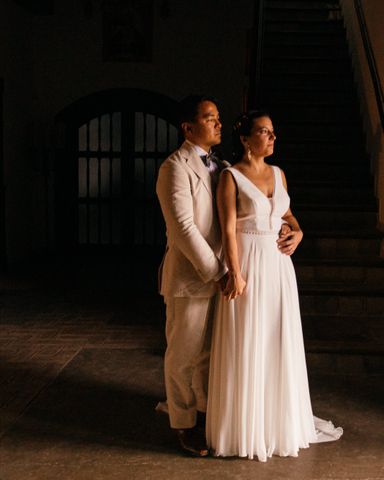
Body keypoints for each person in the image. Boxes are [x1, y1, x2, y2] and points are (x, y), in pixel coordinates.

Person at [206, 110, 343, 462]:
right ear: (246, 138)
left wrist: (297, 231)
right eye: (264, 132)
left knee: (277, 340)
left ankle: (277, 421)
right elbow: (228, 229)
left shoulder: (279, 174)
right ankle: (246, 427)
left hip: (280, 267)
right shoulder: (230, 177)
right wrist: (234, 272)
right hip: (249, 263)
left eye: (273, 132)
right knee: (248, 339)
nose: (272, 138)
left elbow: (287, 215)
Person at [155, 95, 229, 457]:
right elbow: (183, 227)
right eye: (209, 117)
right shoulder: (174, 167)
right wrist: (216, 272)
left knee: (208, 355)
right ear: (188, 127)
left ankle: (203, 414)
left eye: (218, 117)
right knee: (183, 354)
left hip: (223, 276)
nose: (218, 123)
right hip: (191, 277)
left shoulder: (224, 165)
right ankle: (183, 425)